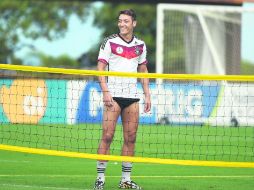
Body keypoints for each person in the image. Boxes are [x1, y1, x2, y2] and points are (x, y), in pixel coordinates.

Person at [94, 9, 151, 190]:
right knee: (107, 136)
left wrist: (147, 94)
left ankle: (125, 180)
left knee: (131, 138)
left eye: (126, 21)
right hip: (113, 96)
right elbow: (100, 68)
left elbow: (143, 71)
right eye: (120, 21)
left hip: (132, 97)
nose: (122, 24)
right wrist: (105, 91)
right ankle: (100, 179)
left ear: (134, 23)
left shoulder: (140, 45)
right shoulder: (109, 42)